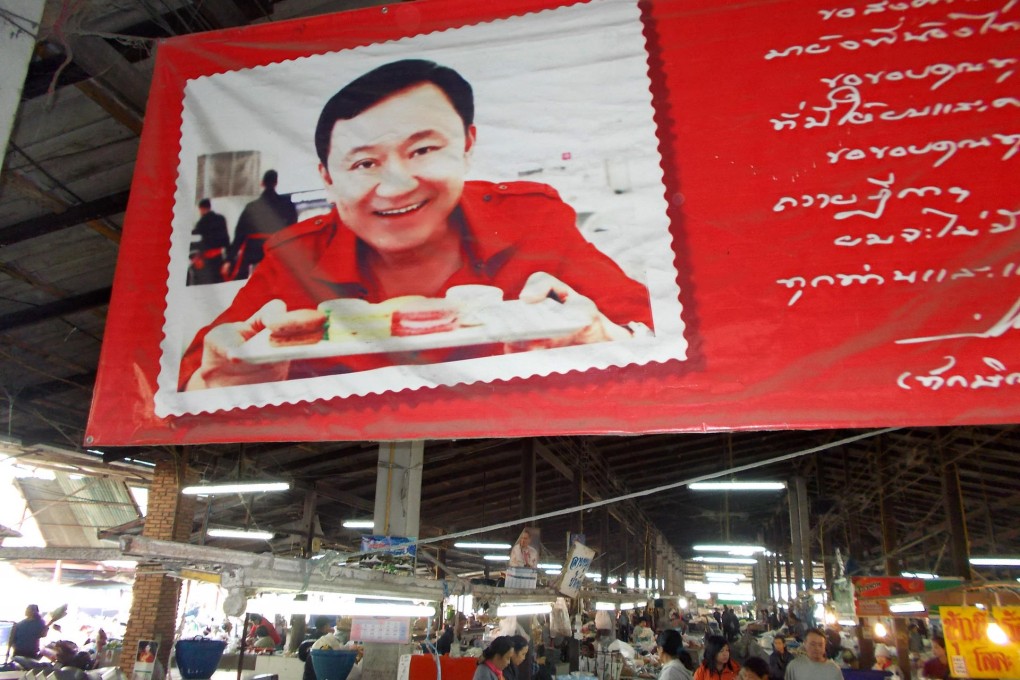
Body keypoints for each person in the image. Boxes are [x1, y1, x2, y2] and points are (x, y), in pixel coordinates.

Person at [179, 58, 653, 391]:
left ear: (467, 144)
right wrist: (221, 378)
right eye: (364, 163)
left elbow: (647, 327)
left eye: (423, 150)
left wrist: (604, 338)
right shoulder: (297, 256)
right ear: (327, 178)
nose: (397, 184)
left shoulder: (528, 218)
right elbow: (193, 373)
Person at [224, 169, 298, 281]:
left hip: (254, 254)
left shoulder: (251, 207)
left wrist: (229, 260)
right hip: (278, 253)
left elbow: (239, 235)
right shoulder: (287, 205)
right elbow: (293, 230)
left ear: (262, 183)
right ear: (276, 183)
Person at [189, 198, 230, 285]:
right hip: (219, 258)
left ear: (201, 209)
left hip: (206, 260)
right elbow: (226, 239)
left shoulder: (201, 223)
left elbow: (197, 242)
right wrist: (227, 259)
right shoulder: (221, 219)